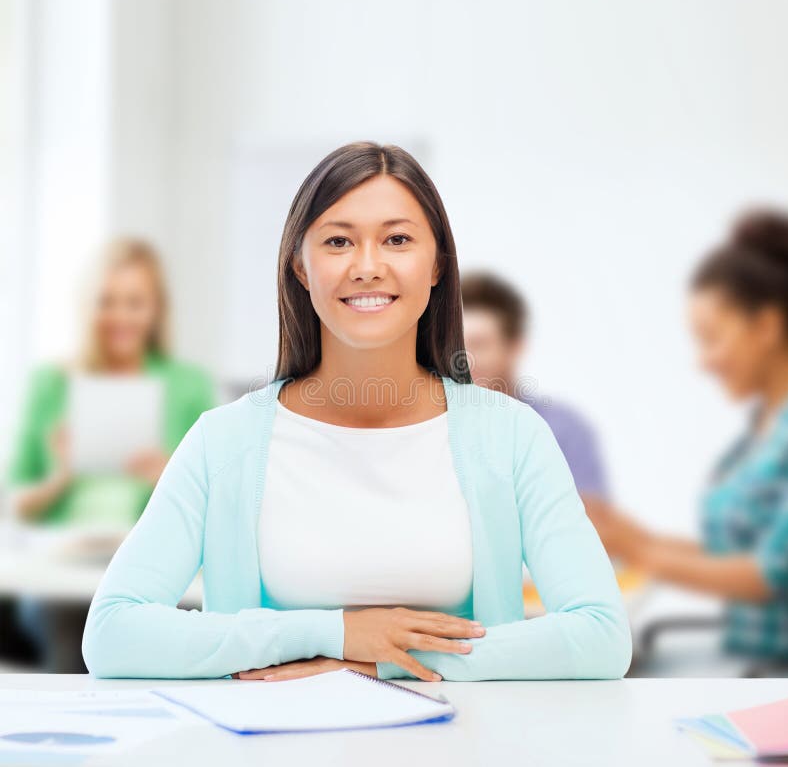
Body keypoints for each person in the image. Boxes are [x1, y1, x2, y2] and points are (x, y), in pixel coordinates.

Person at [81, 142, 631, 682]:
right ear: (300, 266)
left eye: (397, 239)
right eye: (339, 241)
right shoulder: (225, 442)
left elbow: (601, 635)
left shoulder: (512, 437)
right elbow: (112, 633)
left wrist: (379, 661)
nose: (368, 266)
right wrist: (334, 633)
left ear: (437, 263)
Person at [586, 209, 788, 672]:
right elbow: (733, 552)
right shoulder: (763, 430)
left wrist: (641, 551)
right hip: (751, 664)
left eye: (711, 338)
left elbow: (768, 574)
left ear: (766, 326)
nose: (703, 362)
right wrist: (628, 535)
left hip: (781, 677)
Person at [4, 237, 216, 671]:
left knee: (152, 635)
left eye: (135, 303)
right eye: (107, 302)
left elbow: (220, 504)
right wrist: (59, 478)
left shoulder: (187, 385)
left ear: (156, 310)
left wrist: (170, 476)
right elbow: (15, 504)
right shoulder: (51, 383)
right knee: (73, 633)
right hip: (60, 573)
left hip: (155, 571)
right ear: (88, 306)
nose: (120, 316)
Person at [461, 270, 611, 501]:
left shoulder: (562, 430)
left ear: (515, 347)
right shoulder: (431, 430)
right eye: (455, 345)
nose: (464, 359)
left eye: (479, 345)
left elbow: (591, 522)